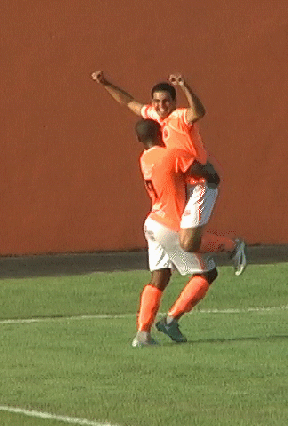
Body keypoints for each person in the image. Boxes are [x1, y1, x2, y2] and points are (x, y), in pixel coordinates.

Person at [91, 71, 247, 276]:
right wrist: (105, 83)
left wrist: (185, 87)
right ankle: (205, 264)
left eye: (165, 102)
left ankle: (232, 246)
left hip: (200, 181)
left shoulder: (179, 116)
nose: (160, 106)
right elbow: (129, 103)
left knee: (187, 242)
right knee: (184, 240)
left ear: (173, 102)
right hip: (182, 186)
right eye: (156, 101)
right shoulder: (155, 116)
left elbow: (199, 111)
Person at [133, 118, 224, 347]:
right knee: (207, 273)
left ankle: (142, 334)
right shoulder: (171, 155)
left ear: (139, 139)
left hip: (152, 222)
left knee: (160, 276)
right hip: (169, 224)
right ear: (162, 133)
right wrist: (211, 170)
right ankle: (171, 319)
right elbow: (203, 173)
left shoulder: (144, 159)